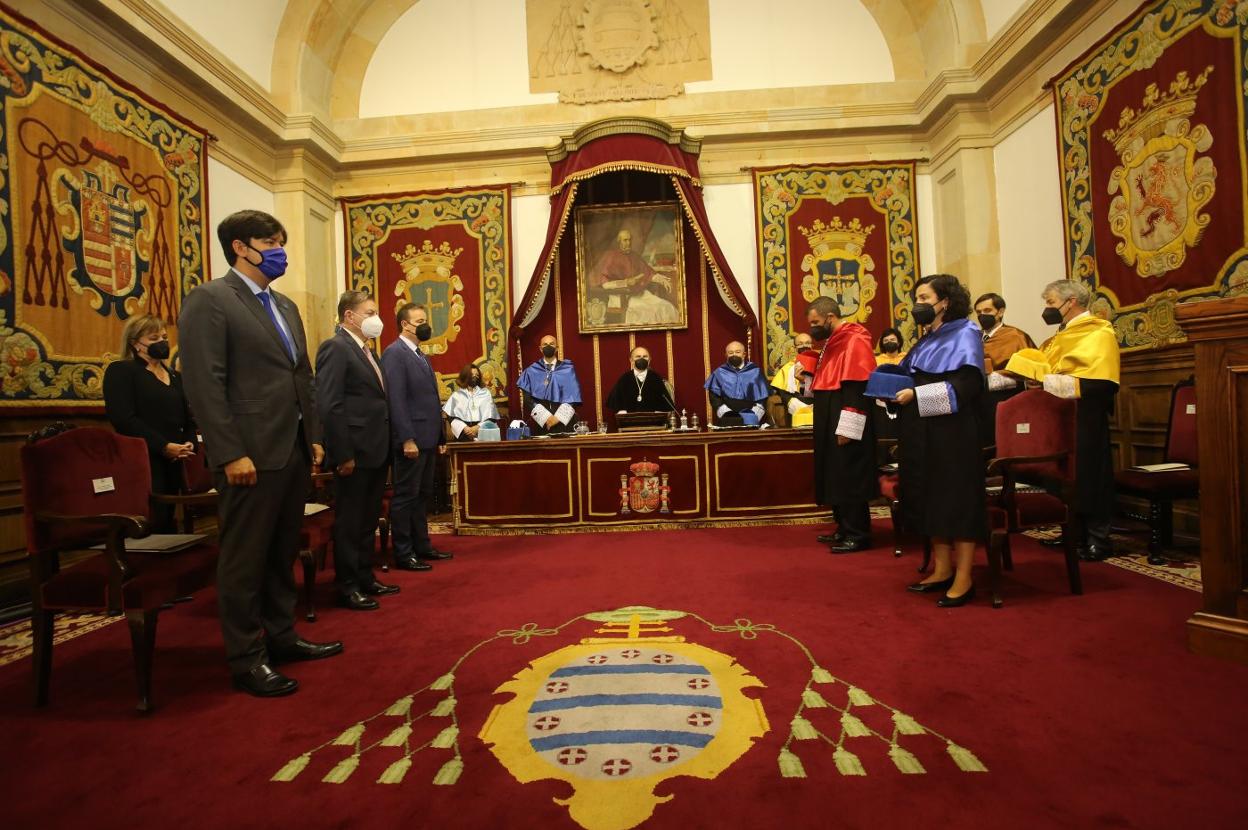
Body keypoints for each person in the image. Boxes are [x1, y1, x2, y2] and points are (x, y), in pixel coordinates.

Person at [179, 209, 340, 698]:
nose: (278, 249)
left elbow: (303, 376)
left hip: (289, 449)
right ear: (239, 248)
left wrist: (312, 435)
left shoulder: (286, 307)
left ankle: (282, 636)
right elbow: (204, 383)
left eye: (280, 239)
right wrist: (228, 453)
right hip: (247, 453)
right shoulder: (210, 300)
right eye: (269, 240)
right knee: (245, 559)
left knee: (281, 551)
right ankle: (246, 657)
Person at [887, 274, 986, 607]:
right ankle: (942, 569)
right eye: (916, 297)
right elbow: (908, 375)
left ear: (945, 301)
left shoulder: (965, 333)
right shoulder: (927, 338)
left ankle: (965, 576)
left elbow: (967, 386)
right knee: (930, 497)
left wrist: (915, 396)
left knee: (955, 500)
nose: (919, 304)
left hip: (953, 433)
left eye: (925, 298)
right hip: (922, 432)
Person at [1005, 279, 1120, 562]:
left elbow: (1102, 382)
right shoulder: (1061, 334)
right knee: (1064, 474)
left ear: (1071, 302)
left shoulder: (1098, 332)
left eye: (1051, 303)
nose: (1047, 309)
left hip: (1085, 415)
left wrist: (1048, 381)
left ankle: (1098, 538)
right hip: (1058, 415)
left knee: (1089, 474)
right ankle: (1073, 532)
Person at [314, 290, 400, 611]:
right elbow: (330, 404)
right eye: (370, 312)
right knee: (350, 522)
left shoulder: (367, 351)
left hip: (375, 450)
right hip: (354, 452)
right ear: (349, 316)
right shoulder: (335, 348)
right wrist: (343, 453)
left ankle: (365, 576)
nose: (376, 318)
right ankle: (347, 585)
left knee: (366, 520)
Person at [103, 314, 195, 533]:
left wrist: (189, 442)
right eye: (154, 338)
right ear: (136, 343)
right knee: (149, 524)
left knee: (168, 522)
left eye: (164, 336)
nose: (162, 342)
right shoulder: (121, 371)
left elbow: (188, 417)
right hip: (143, 459)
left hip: (175, 459)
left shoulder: (175, 377)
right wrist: (163, 446)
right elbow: (124, 419)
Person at [382, 302, 453, 571]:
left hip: (427, 437)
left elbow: (430, 399)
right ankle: (403, 552)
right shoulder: (394, 354)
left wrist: (439, 437)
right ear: (405, 324)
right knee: (405, 497)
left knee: (422, 495)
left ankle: (422, 545)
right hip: (411, 440)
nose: (426, 324)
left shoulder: (421, 355)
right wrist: (406, 438)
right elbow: (397, 400)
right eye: (420, 320)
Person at [806, 298, 879, 552]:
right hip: (828, 412)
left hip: (846, 411)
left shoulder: (855, 339)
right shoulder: (831, 343)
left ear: (829, 318)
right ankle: (843, 527)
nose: (812, 328)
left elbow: (856, 387)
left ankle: (858, 533)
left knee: (849, 473)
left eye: (815, 322)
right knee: (834, 472)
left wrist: (848, 426)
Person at [975, 292, 1037, 446]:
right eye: (979, 312)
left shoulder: (1016, 336)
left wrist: (993, 378)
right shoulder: (974, 337)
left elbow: (1029, 374)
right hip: (977, 402)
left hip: (1005, 399)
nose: (982, 315)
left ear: (1000, 311)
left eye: (987, 311)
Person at [590, 228, 678, 325]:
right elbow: (605, 285)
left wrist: (662, 280)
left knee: (666, 306)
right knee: (647, 312)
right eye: (625, 240)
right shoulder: (611, 257)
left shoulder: (634, 256)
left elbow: (647, 273)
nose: (628, 243)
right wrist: (626, 282)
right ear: (619, 241)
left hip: (640, 294)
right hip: (621, 296)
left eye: (630, 240)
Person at [517, 335, 582, 434]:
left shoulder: (567, 369)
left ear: (557, 348)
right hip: (543, 423)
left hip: (565, 422)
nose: (548, 346)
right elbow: (528, 400)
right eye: (545, 344)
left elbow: (573, 397)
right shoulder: (531, 371)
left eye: (552, 344)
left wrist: (557, 418)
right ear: (540, 348)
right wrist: (547, 418)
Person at [705, 341, 769, 426]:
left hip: (751, 416)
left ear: (744, 354)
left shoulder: (756, 371)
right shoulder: (719, 373)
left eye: (737, 352)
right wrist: (727, 414)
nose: (734, 355)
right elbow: (715, 398)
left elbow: (763, 397)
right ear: (726, 355)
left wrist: (754, 414)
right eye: (730, 353)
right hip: (728, 418)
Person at [606, 346, 675, 414]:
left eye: (645, 356)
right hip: (629, 422)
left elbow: (665, 404)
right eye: (638, 356)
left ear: (649, 360)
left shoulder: (656, 378)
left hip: (653, 422)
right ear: (631, 360)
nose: (642, 359)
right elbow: (615, 402)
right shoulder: (624, 378)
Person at [444, 363, 501, 440]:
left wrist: (478, 428)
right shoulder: (456, 395)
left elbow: (491, 417)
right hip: (463, 434)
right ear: (465, 376)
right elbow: (452, 417)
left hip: (483, 432)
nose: (475, 376)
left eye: (477, 374)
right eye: (472, 374)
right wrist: (465, 428)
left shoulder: (486, 393)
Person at [769, 333, 815, 427]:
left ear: (812, 346)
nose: (804, 346)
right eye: (800, 343)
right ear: (795, 348)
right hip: (795, 410)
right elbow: (783, 394)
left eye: (807, 343)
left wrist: (804, 381)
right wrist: (796, 405)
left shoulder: (822, 366)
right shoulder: (787, 368)